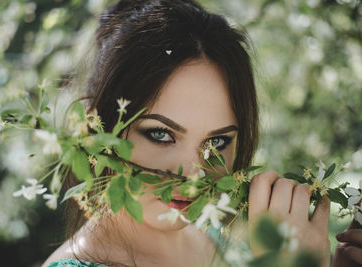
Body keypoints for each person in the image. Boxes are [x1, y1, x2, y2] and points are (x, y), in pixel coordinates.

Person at [42, 0, 362, 266]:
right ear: (94, 130)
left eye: (217, 142)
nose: (193, 175)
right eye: (161, 135)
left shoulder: (216, 236)